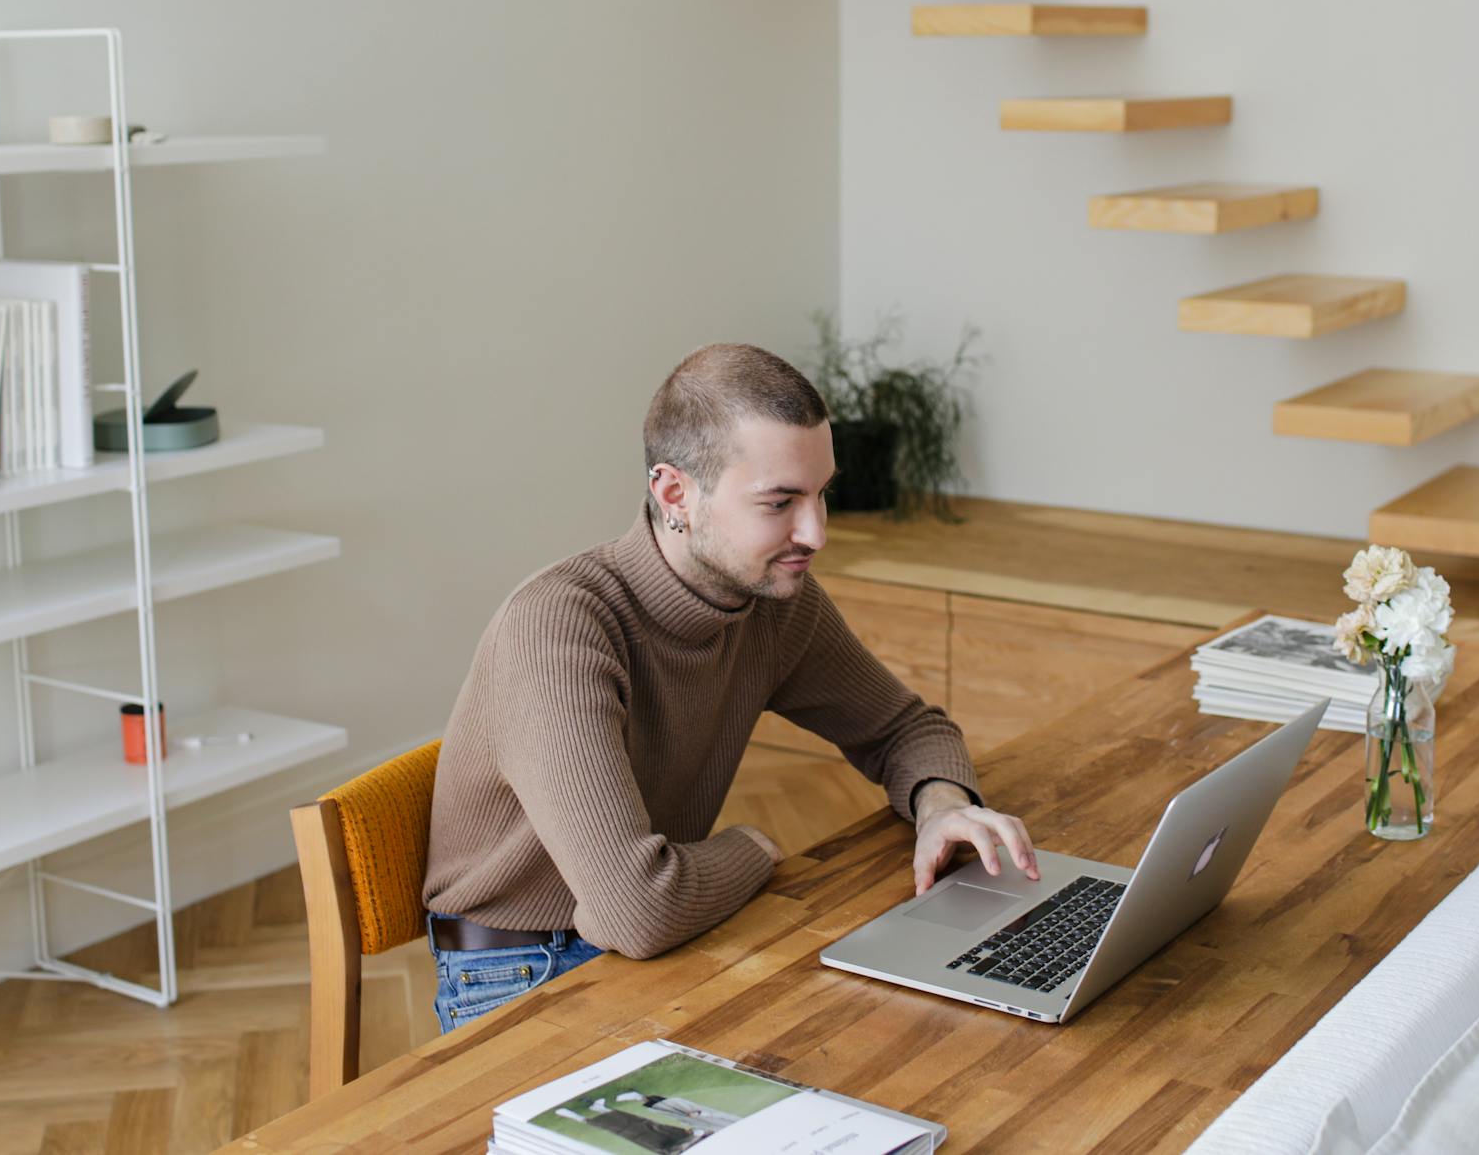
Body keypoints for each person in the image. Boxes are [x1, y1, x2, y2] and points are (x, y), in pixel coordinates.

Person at [421, 343, 1039, 1033]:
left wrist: (940, 806)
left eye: (820, 493)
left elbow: (906, 728)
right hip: (524, 974)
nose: (816, 532)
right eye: (780, 502)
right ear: (674, 493)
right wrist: (752, 848)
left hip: (666, 930)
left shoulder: (773, 602)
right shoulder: (557, 629)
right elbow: (638, 907)